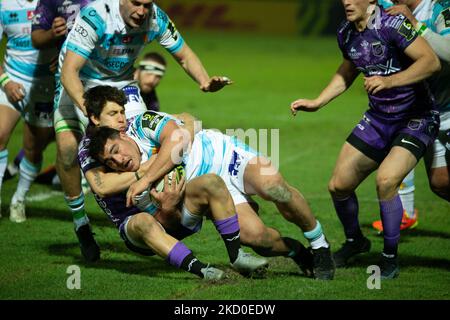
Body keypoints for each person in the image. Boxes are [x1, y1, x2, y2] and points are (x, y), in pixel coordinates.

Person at [86, 86, 336, 280]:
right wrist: (169, 207)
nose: (119, 159)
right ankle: (298, 252)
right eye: (112, 160)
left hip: (224, 155)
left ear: (121, 135)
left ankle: (320, 244)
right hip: (209, 186)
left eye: (117, 150)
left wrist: (147, 175)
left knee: (273, 187)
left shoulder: (140, 124)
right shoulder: (130, 185)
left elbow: (180, 133)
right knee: (257, 238)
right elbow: (168, 224)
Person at [53, 0, 231, 262]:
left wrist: (204, 81)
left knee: (137, 138)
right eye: (136, 3)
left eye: (147, 4)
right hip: (79, 83)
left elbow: (183, 53)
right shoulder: (96, 16)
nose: (142, 11)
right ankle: (81, 223)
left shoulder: (155, 17)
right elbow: (69, 72)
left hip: (122, 83)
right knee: (68, 149)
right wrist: (91, 113)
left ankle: (155, 213)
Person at [290, 0, 440, 279]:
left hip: (415, 119)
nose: (347, 1)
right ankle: (355, 241)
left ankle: (389, 259)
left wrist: (391, 81)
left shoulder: (393, 24)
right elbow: (347, 71)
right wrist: (317, 102)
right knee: (338, 185)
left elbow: (431, 62)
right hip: (379, 119)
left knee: (386, 181)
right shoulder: (346, 33)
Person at [372, 0, 450, 232]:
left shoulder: (440, 9)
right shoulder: (390, 6)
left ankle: (405, 212)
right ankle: (405, 212)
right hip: (426, 112)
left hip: (449, 108)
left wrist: (416, 24)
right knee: (440, 183)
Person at [0, 0, 57, 222]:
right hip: (14, 78)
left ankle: (19, 199)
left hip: (46, 84)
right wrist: (6, 82)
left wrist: (62, 56)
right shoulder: (4, 5)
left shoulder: (55, 2)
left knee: (33, 148)